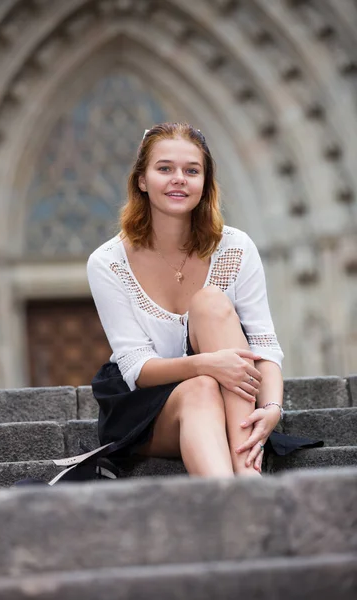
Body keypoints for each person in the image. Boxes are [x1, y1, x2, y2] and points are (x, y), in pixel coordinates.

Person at [49, 122, 322, 486]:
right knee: (201, 386)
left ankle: (246, 477)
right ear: (142, 180)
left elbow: (264, 345)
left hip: (232, 402)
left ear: (205, 183)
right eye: (165, 168)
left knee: (210, 303)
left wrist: (272, 409)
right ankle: (241, 499)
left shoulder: (236, 248)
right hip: (147, 408)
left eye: (191, 171)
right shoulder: (108, 262)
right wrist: (208, 364)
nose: (179, 179)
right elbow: (137, 367)